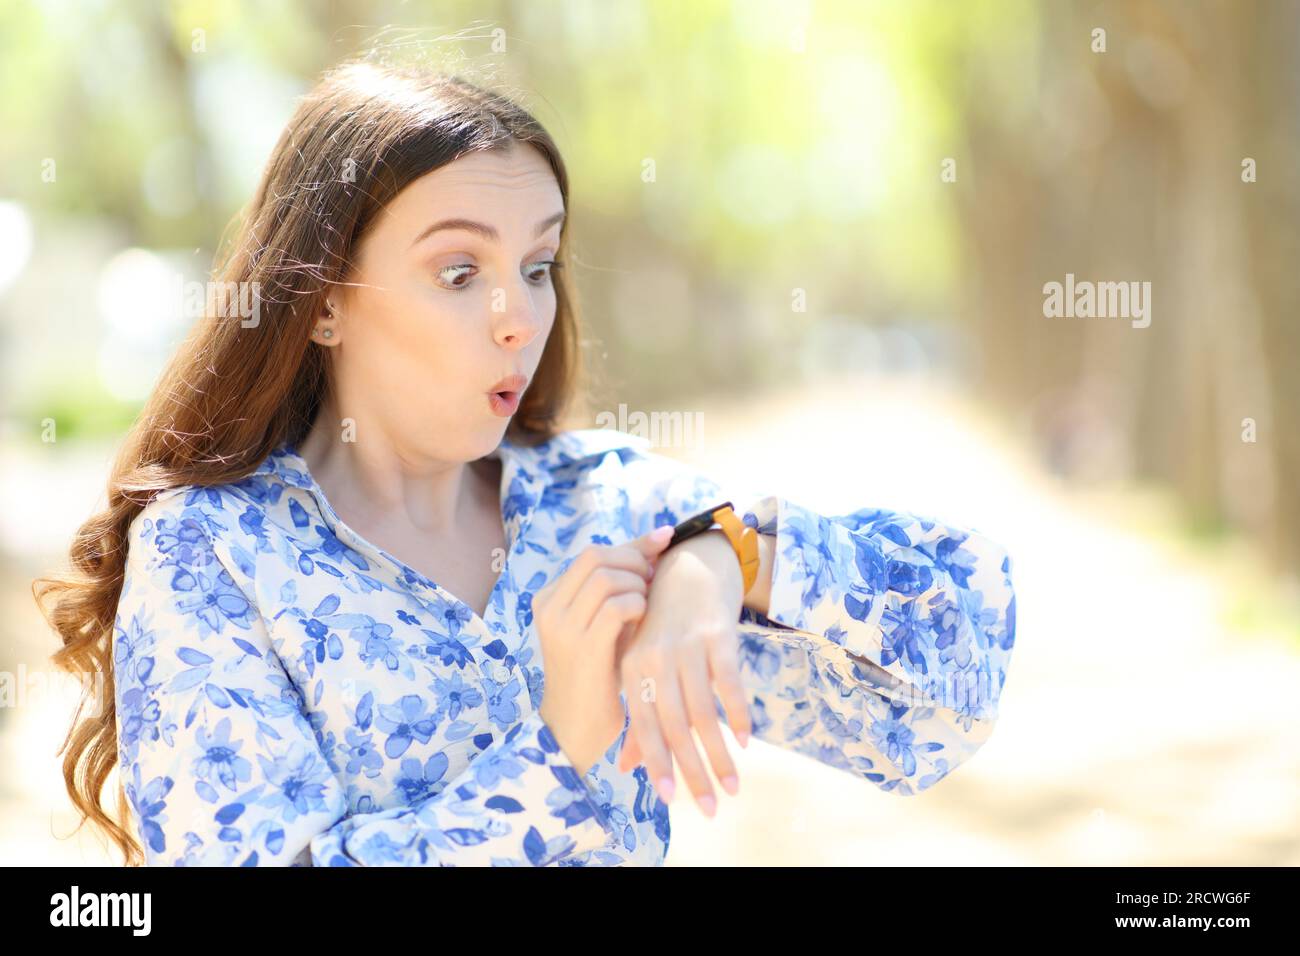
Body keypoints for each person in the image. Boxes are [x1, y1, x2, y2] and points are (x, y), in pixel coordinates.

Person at [33, 59, 1017, 866]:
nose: (519, 319)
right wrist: (559, 745)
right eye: (459, 272)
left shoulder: (606, 509)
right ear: (322, 300)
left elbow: (941, 693)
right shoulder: (212, 552)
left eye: (537, 267)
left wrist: (728, 556)